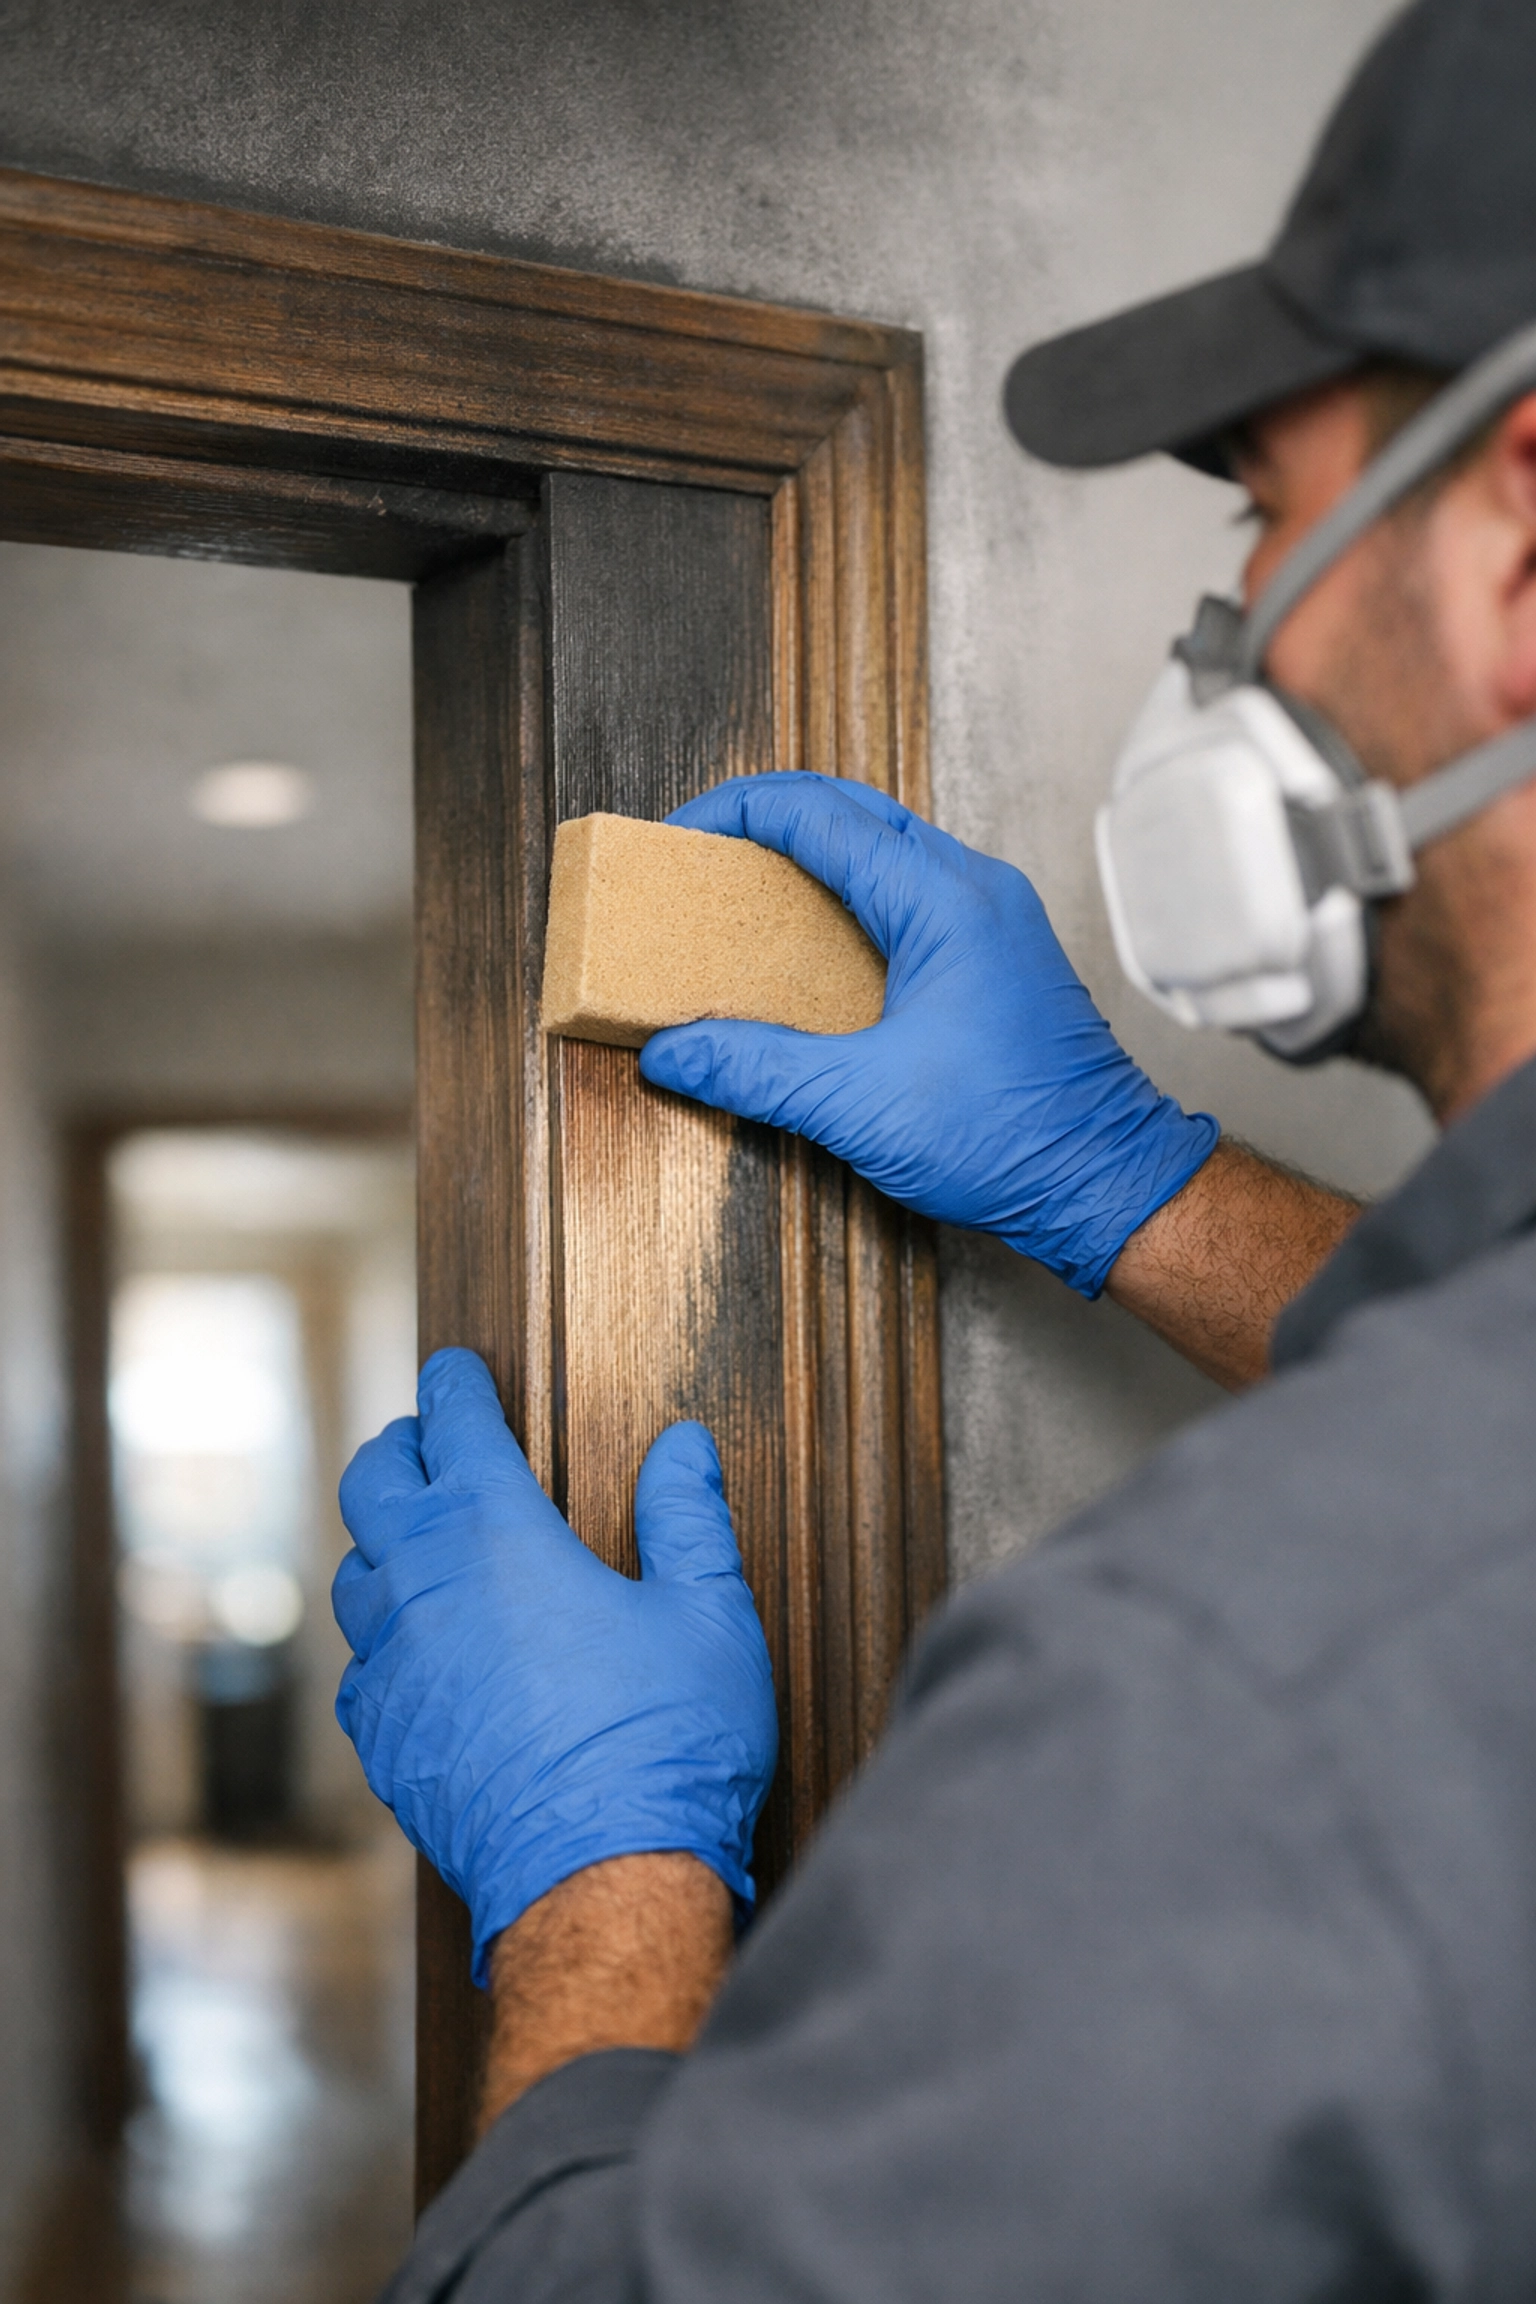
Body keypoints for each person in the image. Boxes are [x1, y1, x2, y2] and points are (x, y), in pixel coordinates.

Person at [336, 1, 1536, 2291]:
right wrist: (1141, 1185)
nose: (1245, 639)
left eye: (1267, 520)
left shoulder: (1244, 1705)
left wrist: (607, 1893)